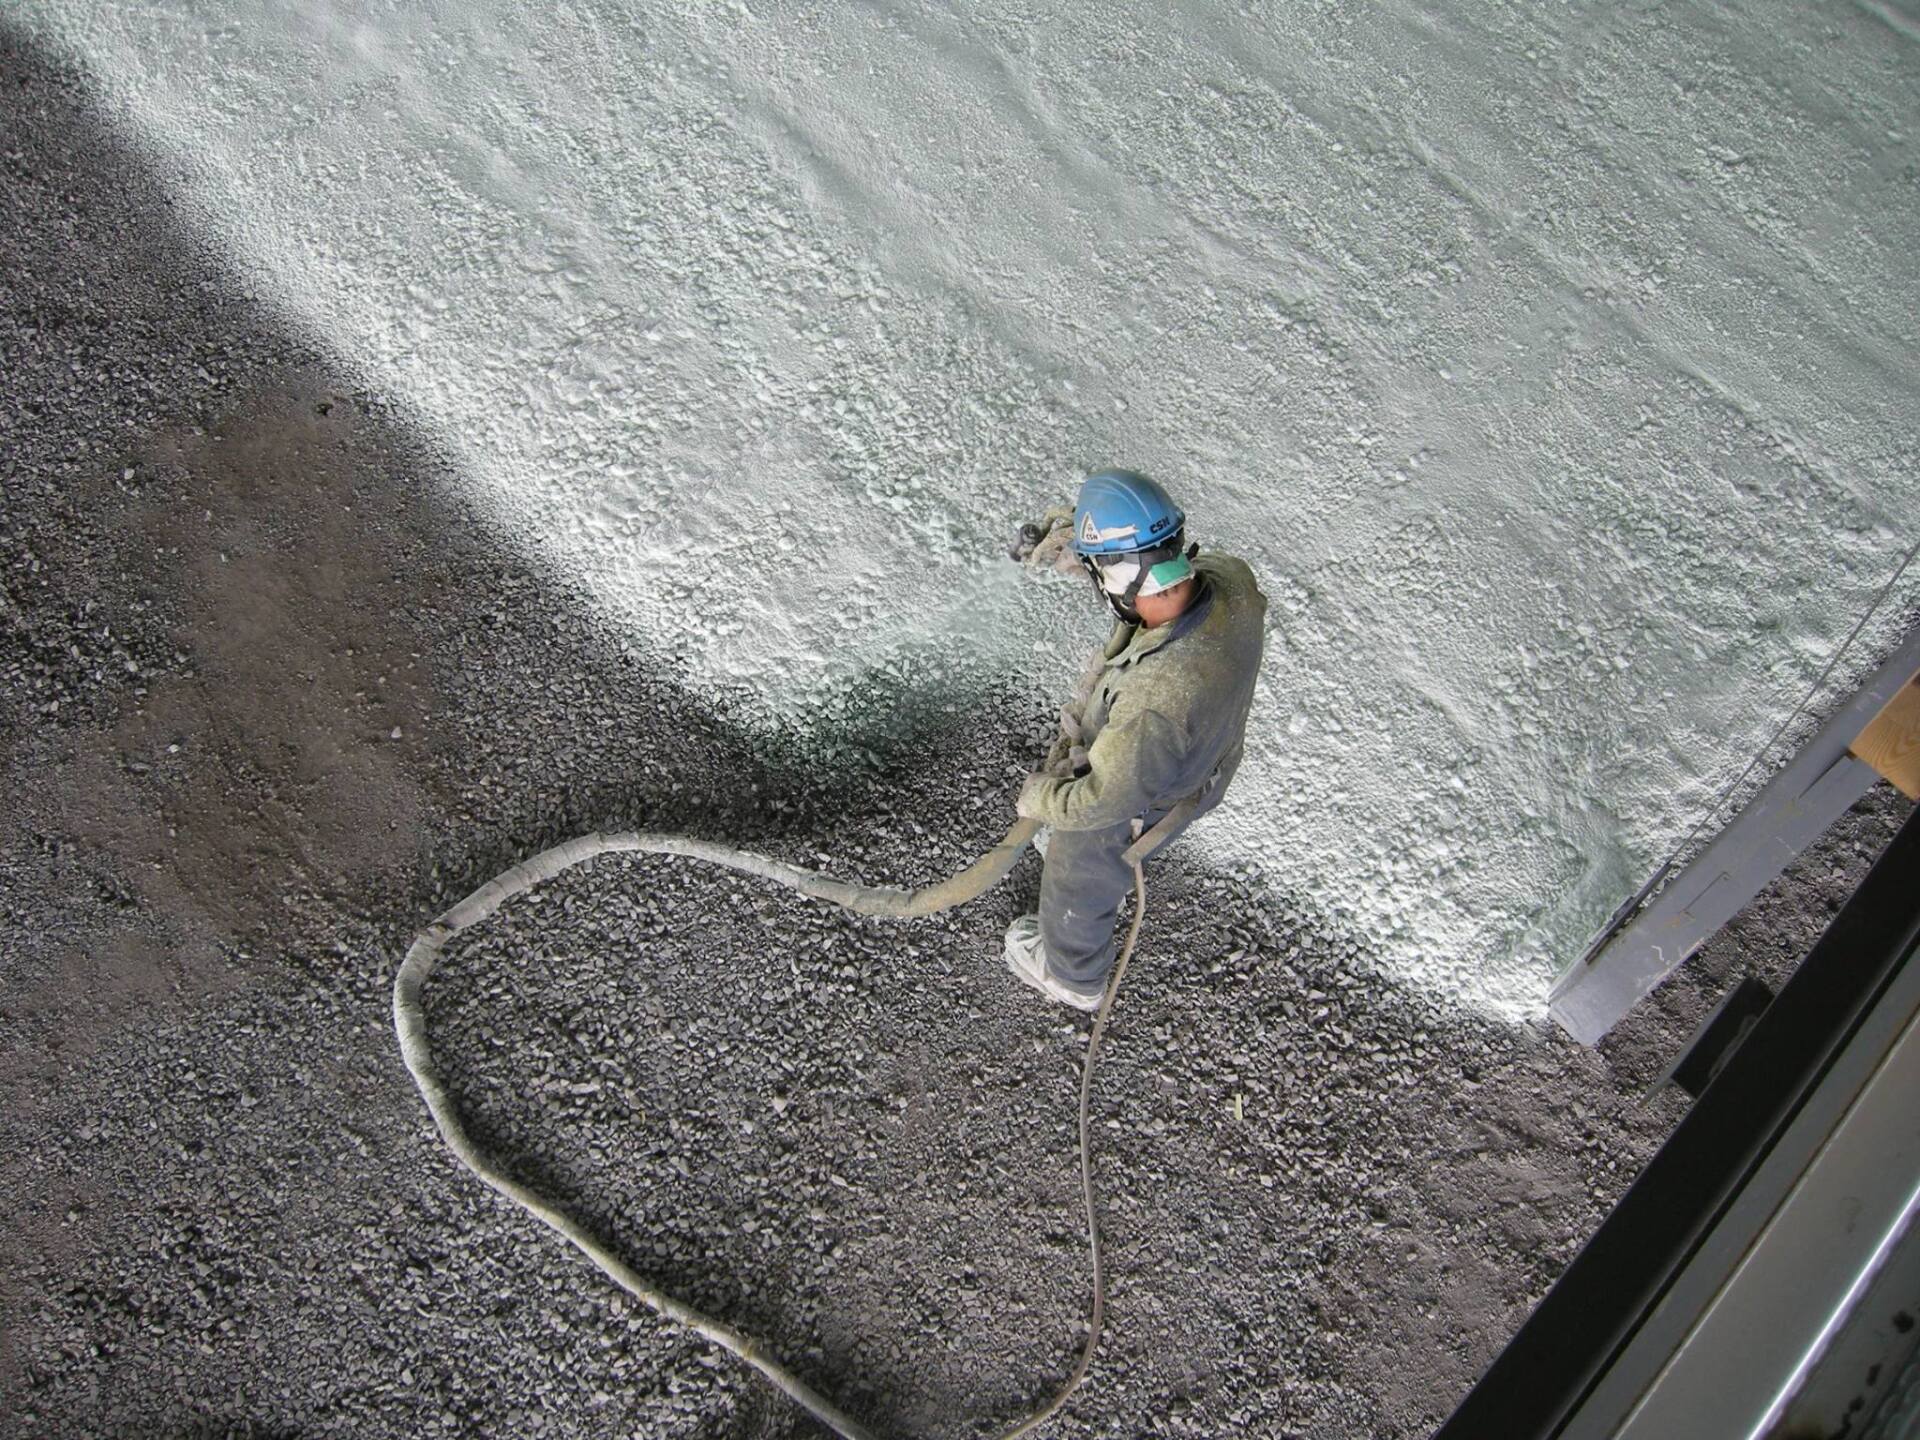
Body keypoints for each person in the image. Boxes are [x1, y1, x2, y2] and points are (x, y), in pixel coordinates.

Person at [1004, 468, 1268, 1010]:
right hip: (1198, 755)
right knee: (1079, 825)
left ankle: (1073, 978)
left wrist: (1041, 800)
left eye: (1098, 569)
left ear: (1119, 578)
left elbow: (1105, 799)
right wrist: (1080, 552)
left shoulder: (1155, 700)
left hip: (1140, 798)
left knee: (1080, 872)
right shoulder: (1229, 580)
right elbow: (1149, 574)